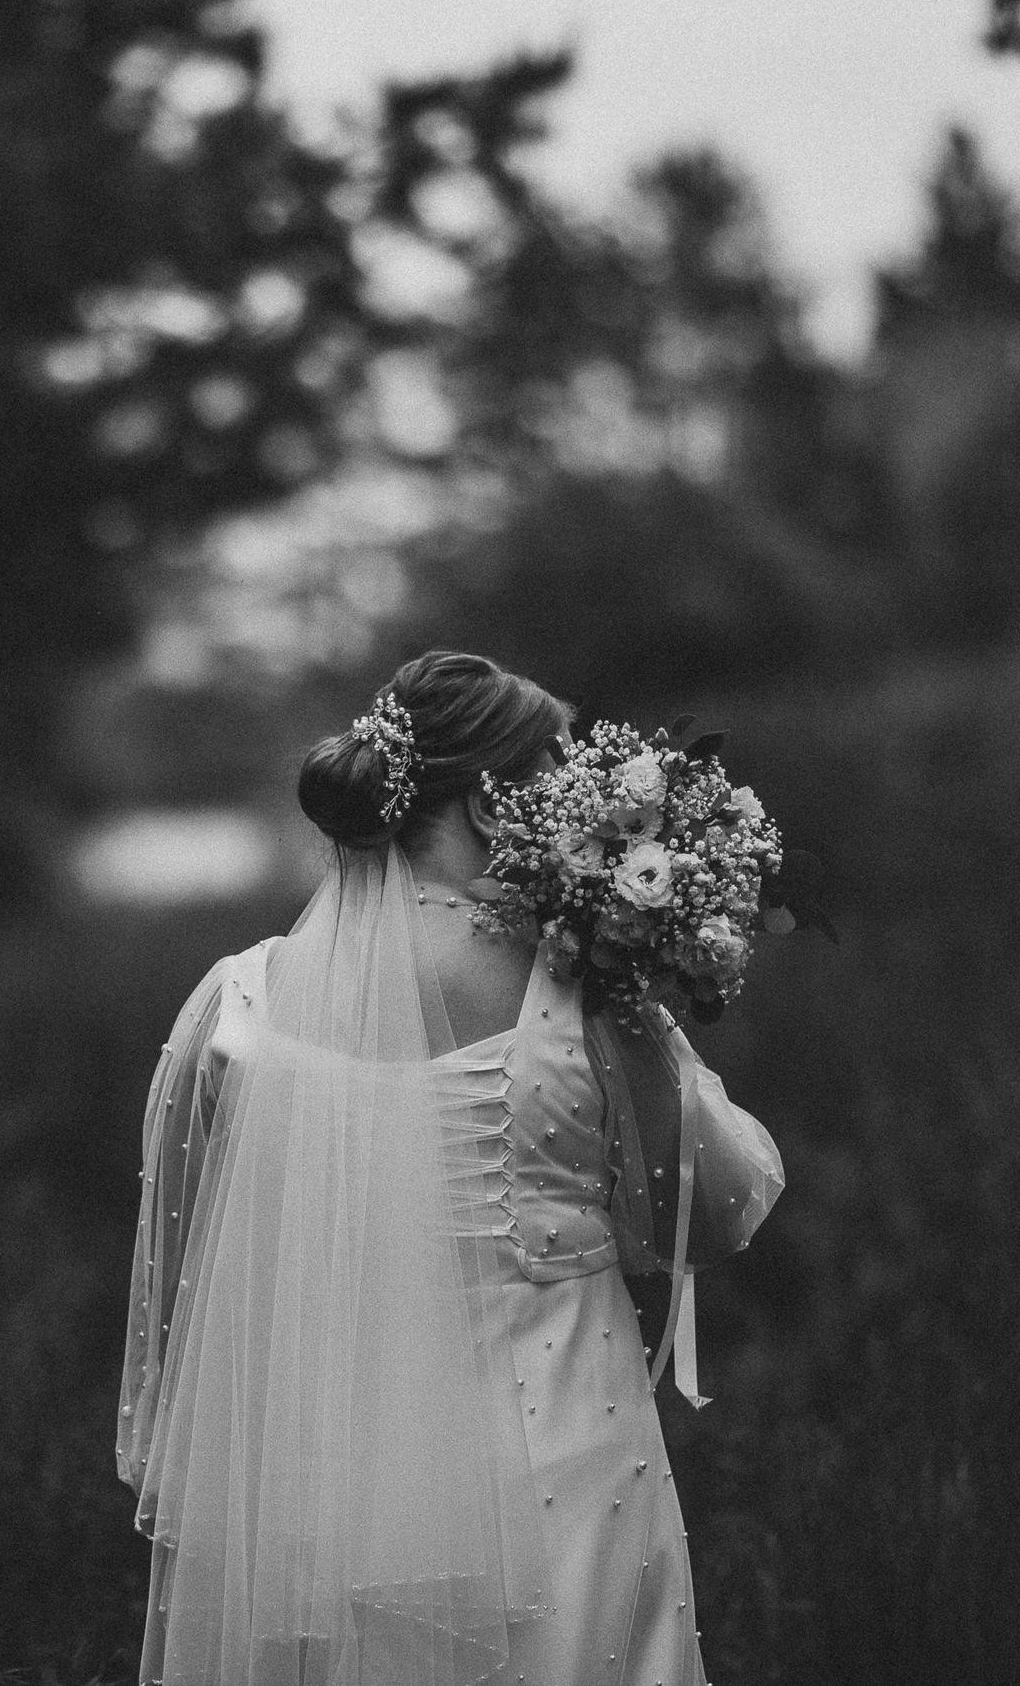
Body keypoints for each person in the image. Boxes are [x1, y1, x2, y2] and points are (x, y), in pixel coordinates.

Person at [115, 649, 785, 1686]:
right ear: (486, 800)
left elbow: (189, 1281)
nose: (579, 807)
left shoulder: (233, 1007)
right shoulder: (581, 994)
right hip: (562, 1483)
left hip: (318, 1508)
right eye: (559, 776)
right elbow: (720, 1208)